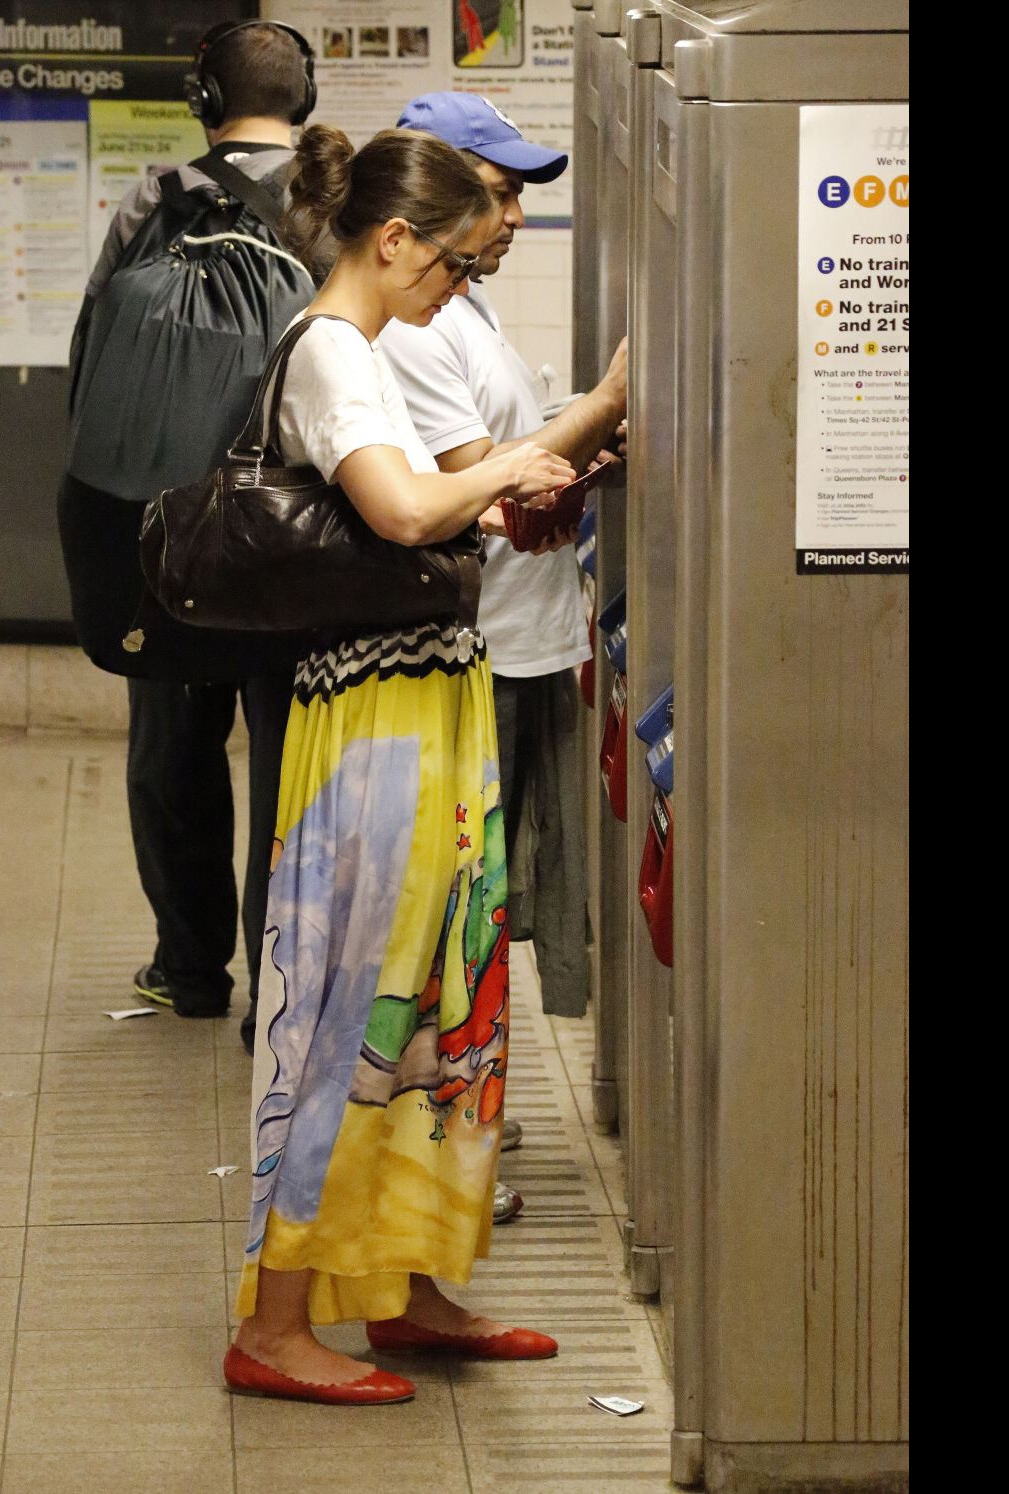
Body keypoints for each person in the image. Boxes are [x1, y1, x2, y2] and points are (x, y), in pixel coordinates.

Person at [223, 125, 576, 1406]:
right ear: (394, 242)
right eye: (454, 267)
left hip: (420, 705)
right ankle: (274, 1325)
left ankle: (412, 1285)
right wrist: (528, 457)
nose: (456, 293)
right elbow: (398, 510)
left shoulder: (361, 352)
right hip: (370, 726)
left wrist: (514, 472)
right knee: (347, 1015)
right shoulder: (329, 353)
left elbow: (429, 495)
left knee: (437, 1007)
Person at [57, 20, 320, 1045]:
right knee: (289, 763)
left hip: (168, 527)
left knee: (171, 743)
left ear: (204, 101)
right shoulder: (338, 199)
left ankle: (187, 966)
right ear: (306, 96)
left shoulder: (155, 199)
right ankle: (279, 990)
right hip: (291, 539)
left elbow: (95, 364)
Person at [379, 95, 628, 1127]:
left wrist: (569, 456)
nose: (515, 215)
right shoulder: (413, 328)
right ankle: (437, 1113)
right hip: (477, 646)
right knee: (456, 900)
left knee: (488, 902)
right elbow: (477, 487)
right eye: (499, 189)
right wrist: (606, 402)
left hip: (523, 640)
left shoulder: (462, 307)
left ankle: (461, 1100)